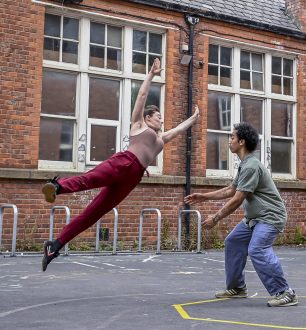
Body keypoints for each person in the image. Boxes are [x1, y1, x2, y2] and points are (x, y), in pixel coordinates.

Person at [41, 58, 200, 271]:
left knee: (95, 212)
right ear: (148, 117)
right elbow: (142, 96)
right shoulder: (138, 124)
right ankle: (58, 187)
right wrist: (151, 75)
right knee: (90, 179)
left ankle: (55, 246)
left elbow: (180, 130)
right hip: (123, 163)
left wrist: (194, 118)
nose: (162, 121)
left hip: (132, 178)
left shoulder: (161, 140)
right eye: (159, 117)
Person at [184, 122, 298, 307]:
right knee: (233, 241)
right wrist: (203, 196)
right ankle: (237, 288)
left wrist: (215, 218)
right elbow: (231, 189)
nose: (229, 140)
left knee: (257, 249)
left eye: (232, 137)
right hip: (255, 219)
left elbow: (237, 199)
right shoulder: (245, 164)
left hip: (270, 217)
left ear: (242, 141)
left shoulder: (251, 166)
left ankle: (285, 292)